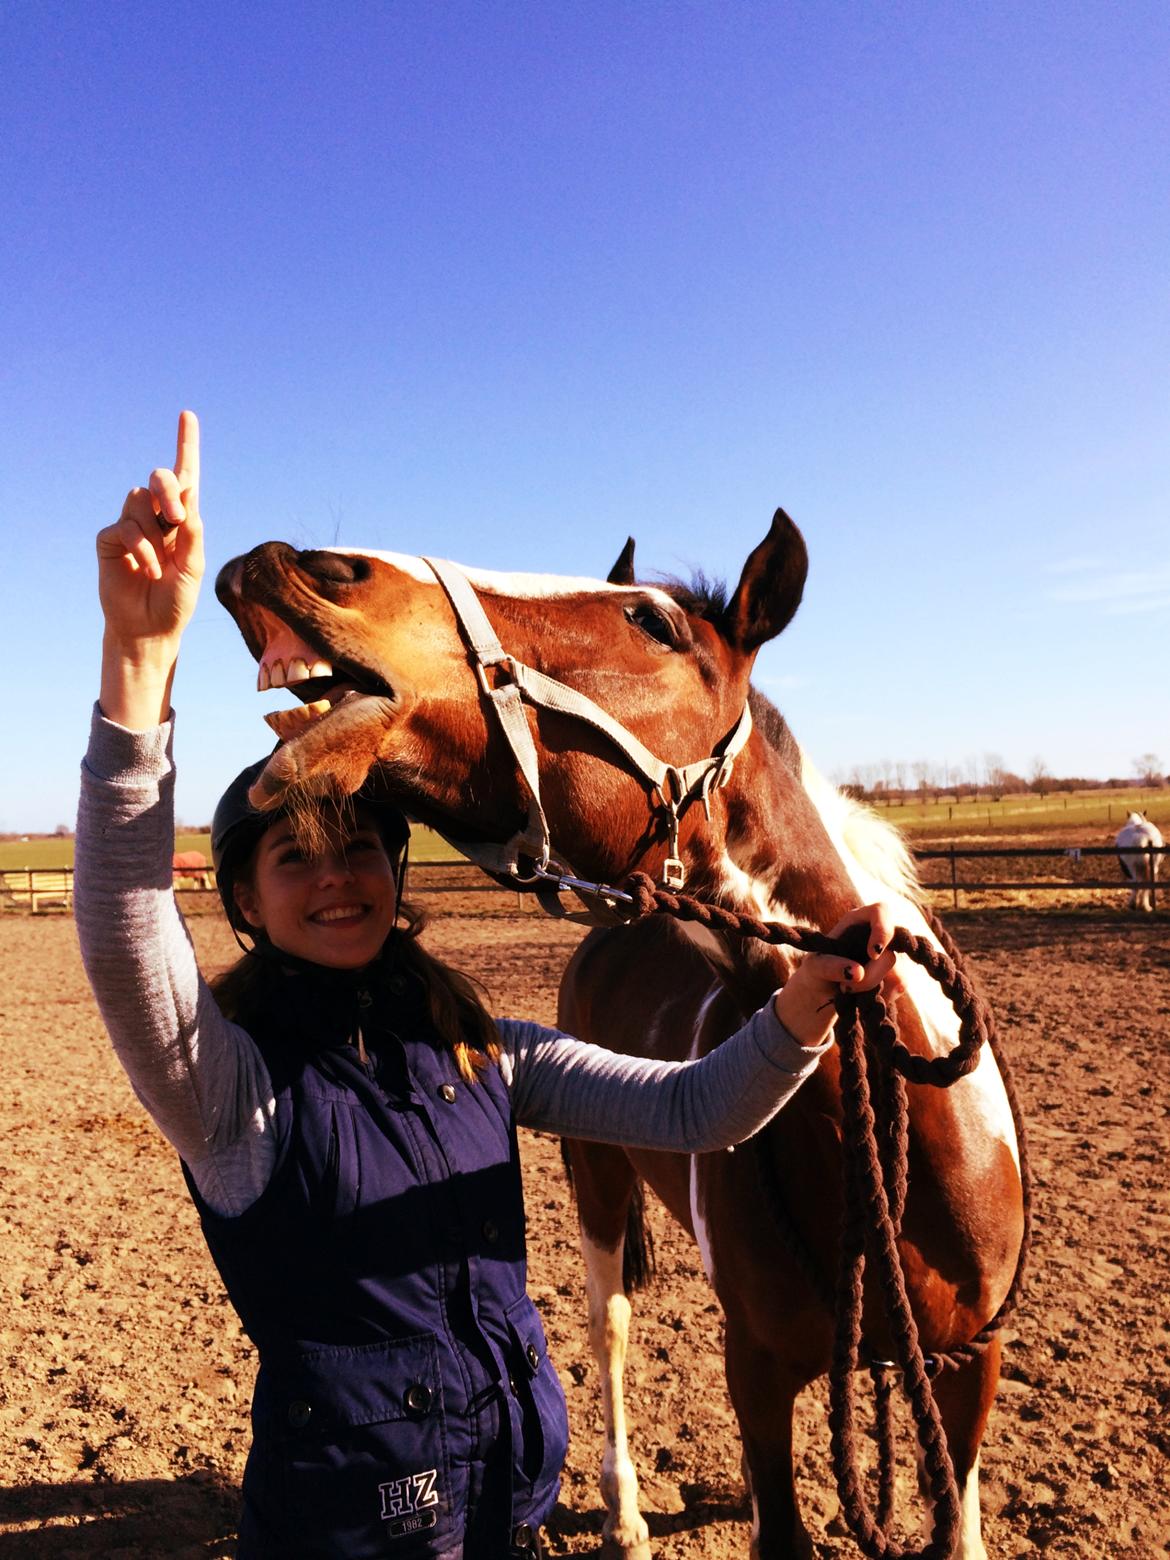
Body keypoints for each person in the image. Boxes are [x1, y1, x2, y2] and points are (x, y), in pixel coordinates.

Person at [76, 412, 898, 1560]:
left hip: (507, 1507)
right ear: (245, 903)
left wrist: (804, 1006)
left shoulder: (480, 1050)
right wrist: (140, 665)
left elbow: (691, 1110)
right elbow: (123, 932)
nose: (338, 879)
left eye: (361, 849)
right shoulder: (229, 1089)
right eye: (294, 858)